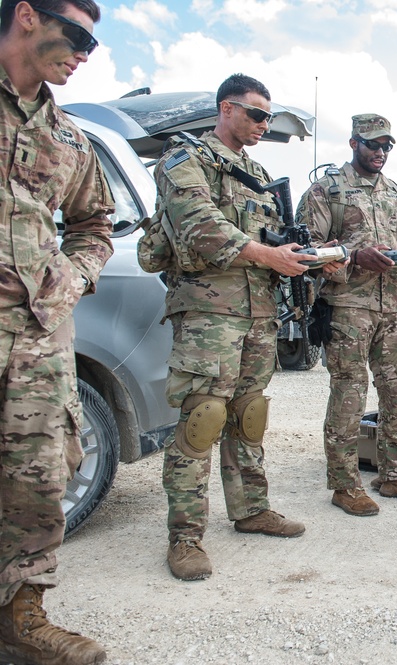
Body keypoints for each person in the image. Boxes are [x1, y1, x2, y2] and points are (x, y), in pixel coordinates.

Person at [153, 74, 313, 582]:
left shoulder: (257, 173)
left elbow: (272, 238)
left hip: (258, 311)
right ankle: (185, 536)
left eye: (268, 116)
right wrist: (268, 253)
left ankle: (250, 509)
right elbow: (199, 223)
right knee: (202, 419)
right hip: (207, 313)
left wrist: (301, 257)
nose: (264, 124)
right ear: (227, 108)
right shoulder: (186, 160)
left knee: (248, 414)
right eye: (257, 114)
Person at [0, 1, 114, 661]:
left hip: (38, 335)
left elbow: (96, 223)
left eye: (92, 47)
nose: (82, 54)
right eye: (76, 36)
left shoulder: (70, 139)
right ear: (24, 15)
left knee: (40, 475)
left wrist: (72, 279)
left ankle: (23, 616)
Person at [296, 114, 397, 516]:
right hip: (348, 307)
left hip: (395, 305)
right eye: (373, 144)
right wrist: (355, 257)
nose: (380, 152)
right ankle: (344, 485)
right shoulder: (327, 191)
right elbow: (309, 252)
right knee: (349, 395)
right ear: (354, 142)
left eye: (386, 146)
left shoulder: (394, 192)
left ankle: (394, 475)